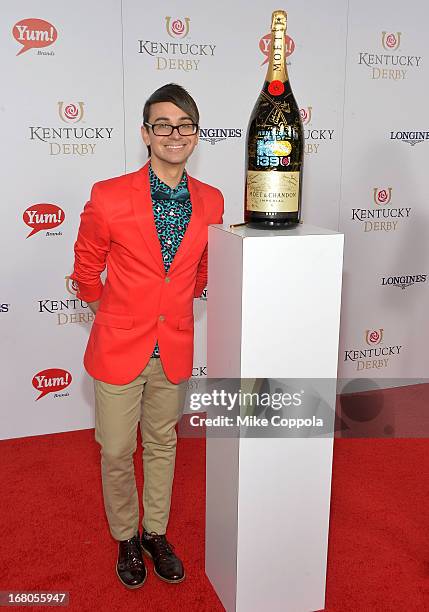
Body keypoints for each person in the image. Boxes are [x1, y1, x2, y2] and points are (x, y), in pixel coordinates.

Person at [71, 83, 224, 589]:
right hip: (119, 346)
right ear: (146, 133)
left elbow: (202, 271)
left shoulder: (212, 201)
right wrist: (110, 313)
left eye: (184, 125)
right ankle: (126, 537)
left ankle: (155, 532)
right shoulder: (109, 195)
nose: (174, 134)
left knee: (162, 443)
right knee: (116, 448)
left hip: (174, 345)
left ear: (196, 136)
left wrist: (173, 309)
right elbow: (87, 268)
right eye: (163, 124)